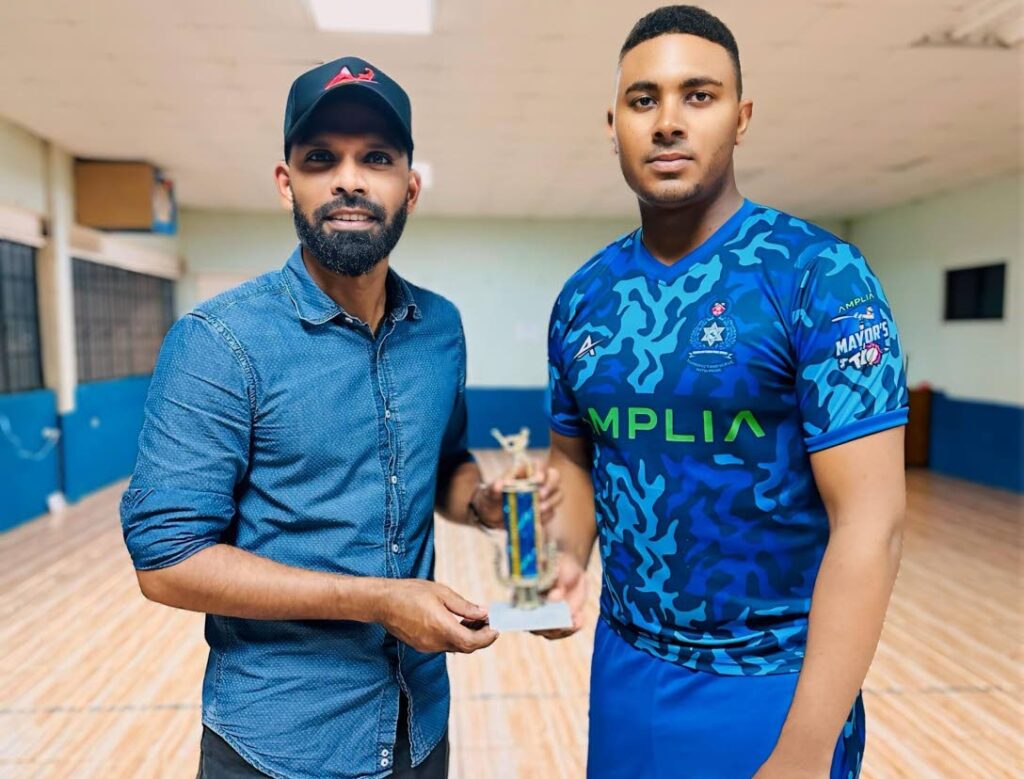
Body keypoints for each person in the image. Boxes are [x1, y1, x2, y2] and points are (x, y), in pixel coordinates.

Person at [120, 56, 561, 779]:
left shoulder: (440, 328)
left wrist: (483, 502)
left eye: (377, 158)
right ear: (286, 181)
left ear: (409, 187)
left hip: (419, 730)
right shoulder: (219, 342)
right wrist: (376, 600)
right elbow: (167, 561)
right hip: (279, 746)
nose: (349, 179)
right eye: (322, 158)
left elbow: (445, 462)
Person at [542, 7, 908, 778]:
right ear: (613, 123)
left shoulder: (817, 276)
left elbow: (872, 526)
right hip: (624, 666)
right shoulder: (584, 296)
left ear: (741, 118)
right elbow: (577, 459)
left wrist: (806, 749)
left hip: (771, 685)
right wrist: (569, 556)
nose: (668, 121)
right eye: (644, 100)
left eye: (697, 96)